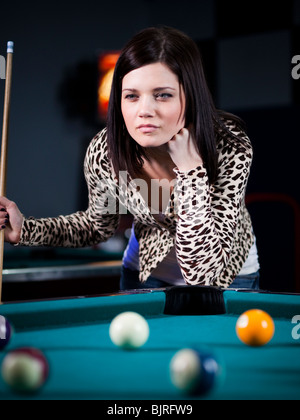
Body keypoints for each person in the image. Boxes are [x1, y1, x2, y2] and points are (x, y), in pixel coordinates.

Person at [0, 26, 260, 291]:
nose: (144, 111)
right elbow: (96, 227)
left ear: (190, 96)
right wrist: (26, 231)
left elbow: (204, 276)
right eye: (132, 96)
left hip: (228, 274)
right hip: (144, 271)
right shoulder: (107, 149)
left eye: (163, 95)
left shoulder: (227, 145)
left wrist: (191, 171)